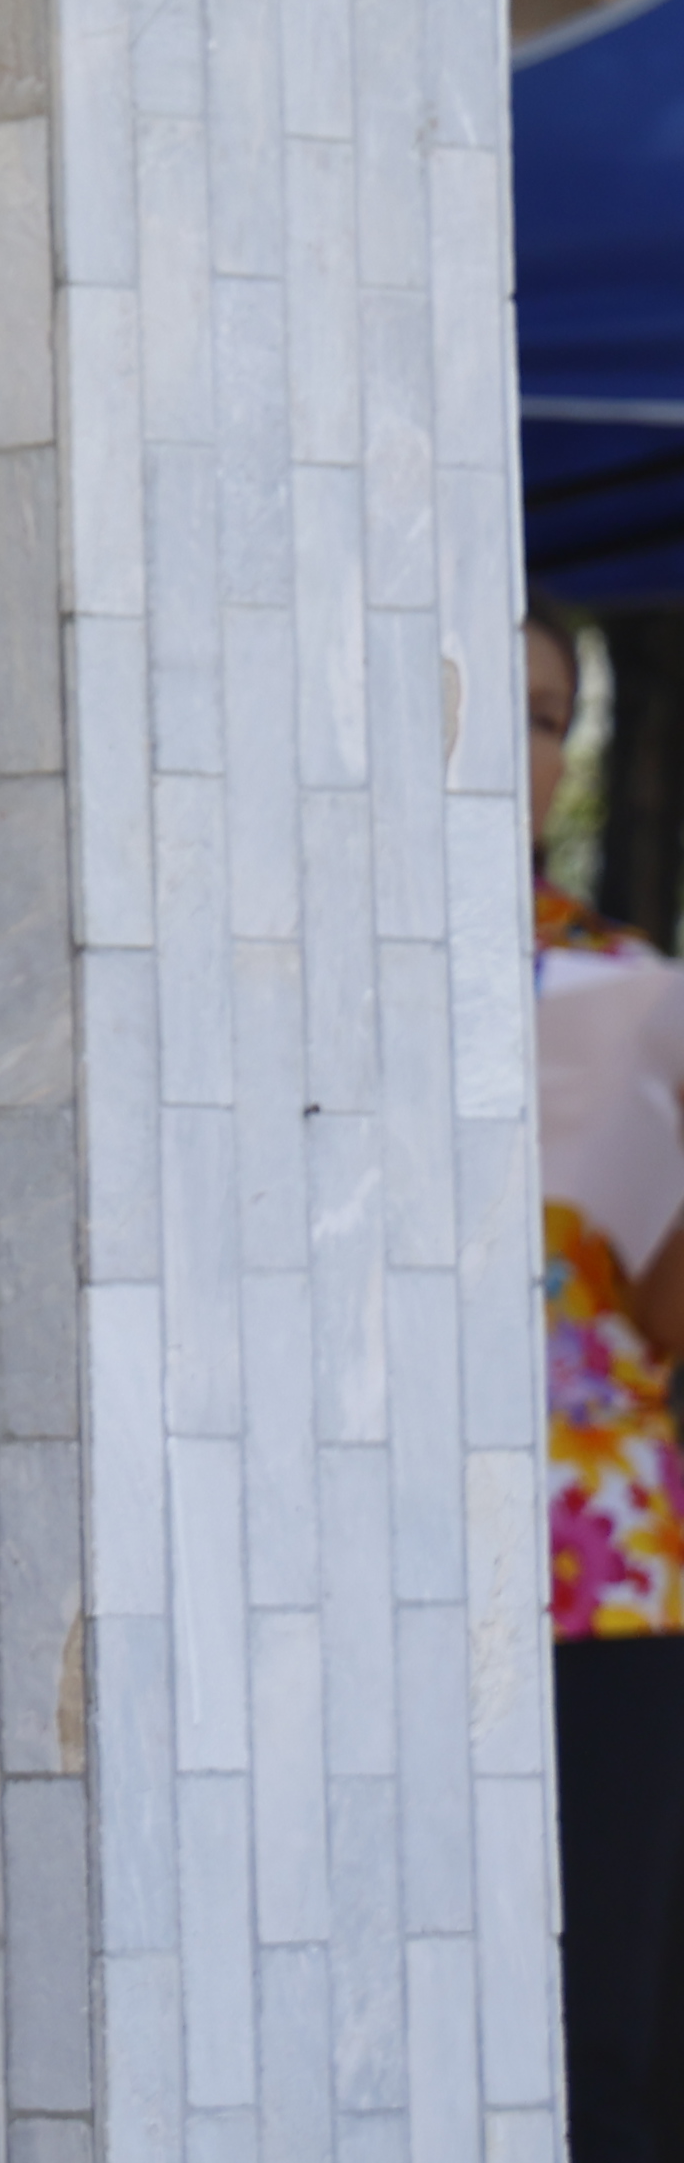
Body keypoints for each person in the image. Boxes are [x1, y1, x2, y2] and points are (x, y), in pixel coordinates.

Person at [529, 612, 684, 2163]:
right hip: (370, 1558)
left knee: (604, 2037)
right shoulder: (306, 970)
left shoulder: (625, 984)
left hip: (602, 1563)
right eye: (502, 710)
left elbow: (658, 1320)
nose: (525, 750)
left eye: (547, 718)